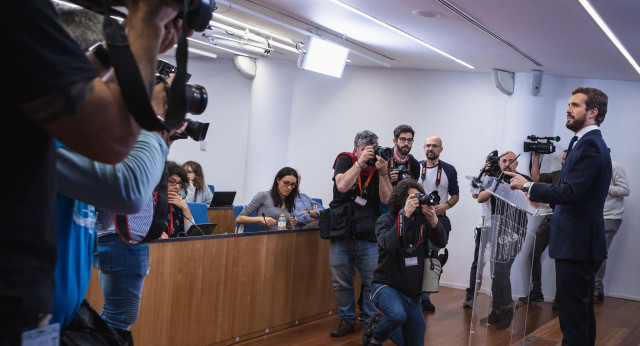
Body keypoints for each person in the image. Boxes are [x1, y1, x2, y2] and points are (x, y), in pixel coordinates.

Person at [1, 0, 182, 341]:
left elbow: (102, 211)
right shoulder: (37, 139)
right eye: (108, 85)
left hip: (48, 321)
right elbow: (126, 190)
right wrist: (154, 124)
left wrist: (120, 51)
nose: (112, 97)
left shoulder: (62, 137)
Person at [507, 87, 611, 345]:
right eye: (569, 104)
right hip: (577, 242)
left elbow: (571, 193)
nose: (567, 109)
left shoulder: (591, 146)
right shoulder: (582, 142)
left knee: (573, 317)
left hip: (578, 244)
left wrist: (528, 185)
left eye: (575, 105)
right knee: (579, 314)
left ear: (592, 112)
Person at [362, 180, 447, 346]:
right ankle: (376, 335)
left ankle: (384, 324)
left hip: (412, 294)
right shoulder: (385, 220)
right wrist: (404, 216)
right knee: (396, 315)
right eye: (411, 198)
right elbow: (389, 244)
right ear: (400, 200)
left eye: (418, 197)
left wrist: (434, 220)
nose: (416, 201)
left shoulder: (423, 221)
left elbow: (441, 242)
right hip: (386, 286)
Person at [325, 130, 392, 338]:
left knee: (372, 281)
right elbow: (343, 186)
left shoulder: (378, 167)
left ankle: (370, 322)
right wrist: (359, 163)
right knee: (341, 280)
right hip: (342, 232)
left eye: (372, 149)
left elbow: (387, 200)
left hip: (368, 233)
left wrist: (382, 172)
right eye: (365, 150)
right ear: (356, 149)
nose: (369, 154)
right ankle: (346, 321)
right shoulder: (345, 159)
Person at [477, 151, 531, 330]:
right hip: (496, 229)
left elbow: (533, 203)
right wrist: (492, 182)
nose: (507, 164)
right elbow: (479, 198)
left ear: (516, 164)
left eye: (511, 161)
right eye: (504, 161)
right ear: (499, 163)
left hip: (516, 231)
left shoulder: (524, 179)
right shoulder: (494, 179)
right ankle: (497, 310)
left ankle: (506, 309)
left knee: (501, 271)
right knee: (495, 272)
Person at [518, 150, 566, 309]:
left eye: (566, 159)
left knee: (561, 260)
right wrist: (537, 156)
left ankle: (560, 297)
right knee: (533, 255)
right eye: (562, 159)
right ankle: (536, 292)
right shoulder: (556, 175)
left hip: (565, 224)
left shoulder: (576, 178)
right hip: (549, 219)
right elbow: (536, 178)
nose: (563, 161)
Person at [417, 135, 459, 312]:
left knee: (432, 256)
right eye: (427, 145)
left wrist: (446, 205)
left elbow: (456, 195)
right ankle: (414, 294)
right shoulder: (415, 166)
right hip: (417, 216)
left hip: (438, 217)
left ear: (441, 149)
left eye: (434, 146)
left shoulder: (449, 169)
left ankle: (425, 296)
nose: (430, 149)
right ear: (423, 148)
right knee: (415, 256)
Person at [594, 154, 629, 302]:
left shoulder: (614, 166)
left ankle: (594, 291)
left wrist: (604, 186)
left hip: (611, 217)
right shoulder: (592, 168)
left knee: (599, 254)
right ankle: (598, 289)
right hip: (594, 217)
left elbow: (625, 190)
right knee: (594, 254)